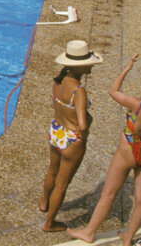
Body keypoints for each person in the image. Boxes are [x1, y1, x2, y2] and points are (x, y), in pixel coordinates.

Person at [68, 56, 141, 246]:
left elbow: (113, 91)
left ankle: (89, 232)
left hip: (128, 150)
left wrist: (127, 68)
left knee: (109, 193)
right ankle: (128, 238)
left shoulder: (139, 104)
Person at [39, 40, 102, 232]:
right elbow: (82, 123)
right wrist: (85, 129)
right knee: (62, 184)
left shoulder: (58, 81)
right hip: (72, 138)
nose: (91, 65)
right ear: (80, 66)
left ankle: (44, 201)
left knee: (52, 171)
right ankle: (49, 223)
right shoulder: (78, 90)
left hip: (56, 130)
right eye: (89, 63)